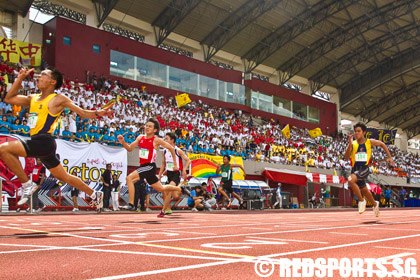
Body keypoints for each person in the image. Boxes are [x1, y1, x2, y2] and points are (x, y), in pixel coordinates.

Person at [1, 68, 112, 209]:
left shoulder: (58, 99)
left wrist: (98, 113)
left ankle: (26, 184)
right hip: (40, 143)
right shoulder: (32, 98)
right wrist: (20, 78)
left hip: (44, 141)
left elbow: (82, 113)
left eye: (43, 75)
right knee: (64, 177)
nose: (38, 77)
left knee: (4, 149)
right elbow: (9, 99)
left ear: (52, 81)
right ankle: (94, 194)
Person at [117, 118, 188, 218]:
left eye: (150, 126)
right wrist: (123, 142)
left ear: (155, 130)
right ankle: (177, 187)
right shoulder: (140, 138)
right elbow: (129, 149)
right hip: (143, 166)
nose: (147, 128)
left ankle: (132, 204)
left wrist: (175, 164)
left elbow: (171, 148)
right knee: (161, 188)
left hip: (150, 166)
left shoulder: (156, 140)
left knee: (129, 178)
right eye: (146, 126)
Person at [344, 122, 394, 217]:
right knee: (365, 191)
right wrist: (350, 144)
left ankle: (361, 201)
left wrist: (389, 157)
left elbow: (382, 144)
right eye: (355, 131)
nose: (356, 133)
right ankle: (375, 205)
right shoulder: (353, 144)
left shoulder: (369, 142)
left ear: (364, 132)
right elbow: (346, 158)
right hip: (355, 169)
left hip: (364, 168)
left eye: (359, 131)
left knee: (350, 179)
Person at [158, 132, 191, 215]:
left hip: (176, 173)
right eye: (164, 139)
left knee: (168, 190)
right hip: (168, 174)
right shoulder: (164, 151)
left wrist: (183, 170)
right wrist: (160, 174)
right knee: (167, 194)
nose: (165, 141)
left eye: (167, 139)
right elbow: (163, 164)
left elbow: (188, 160)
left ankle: (163, 210)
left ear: (172, 140)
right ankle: (168, 208)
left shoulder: (177, 150)